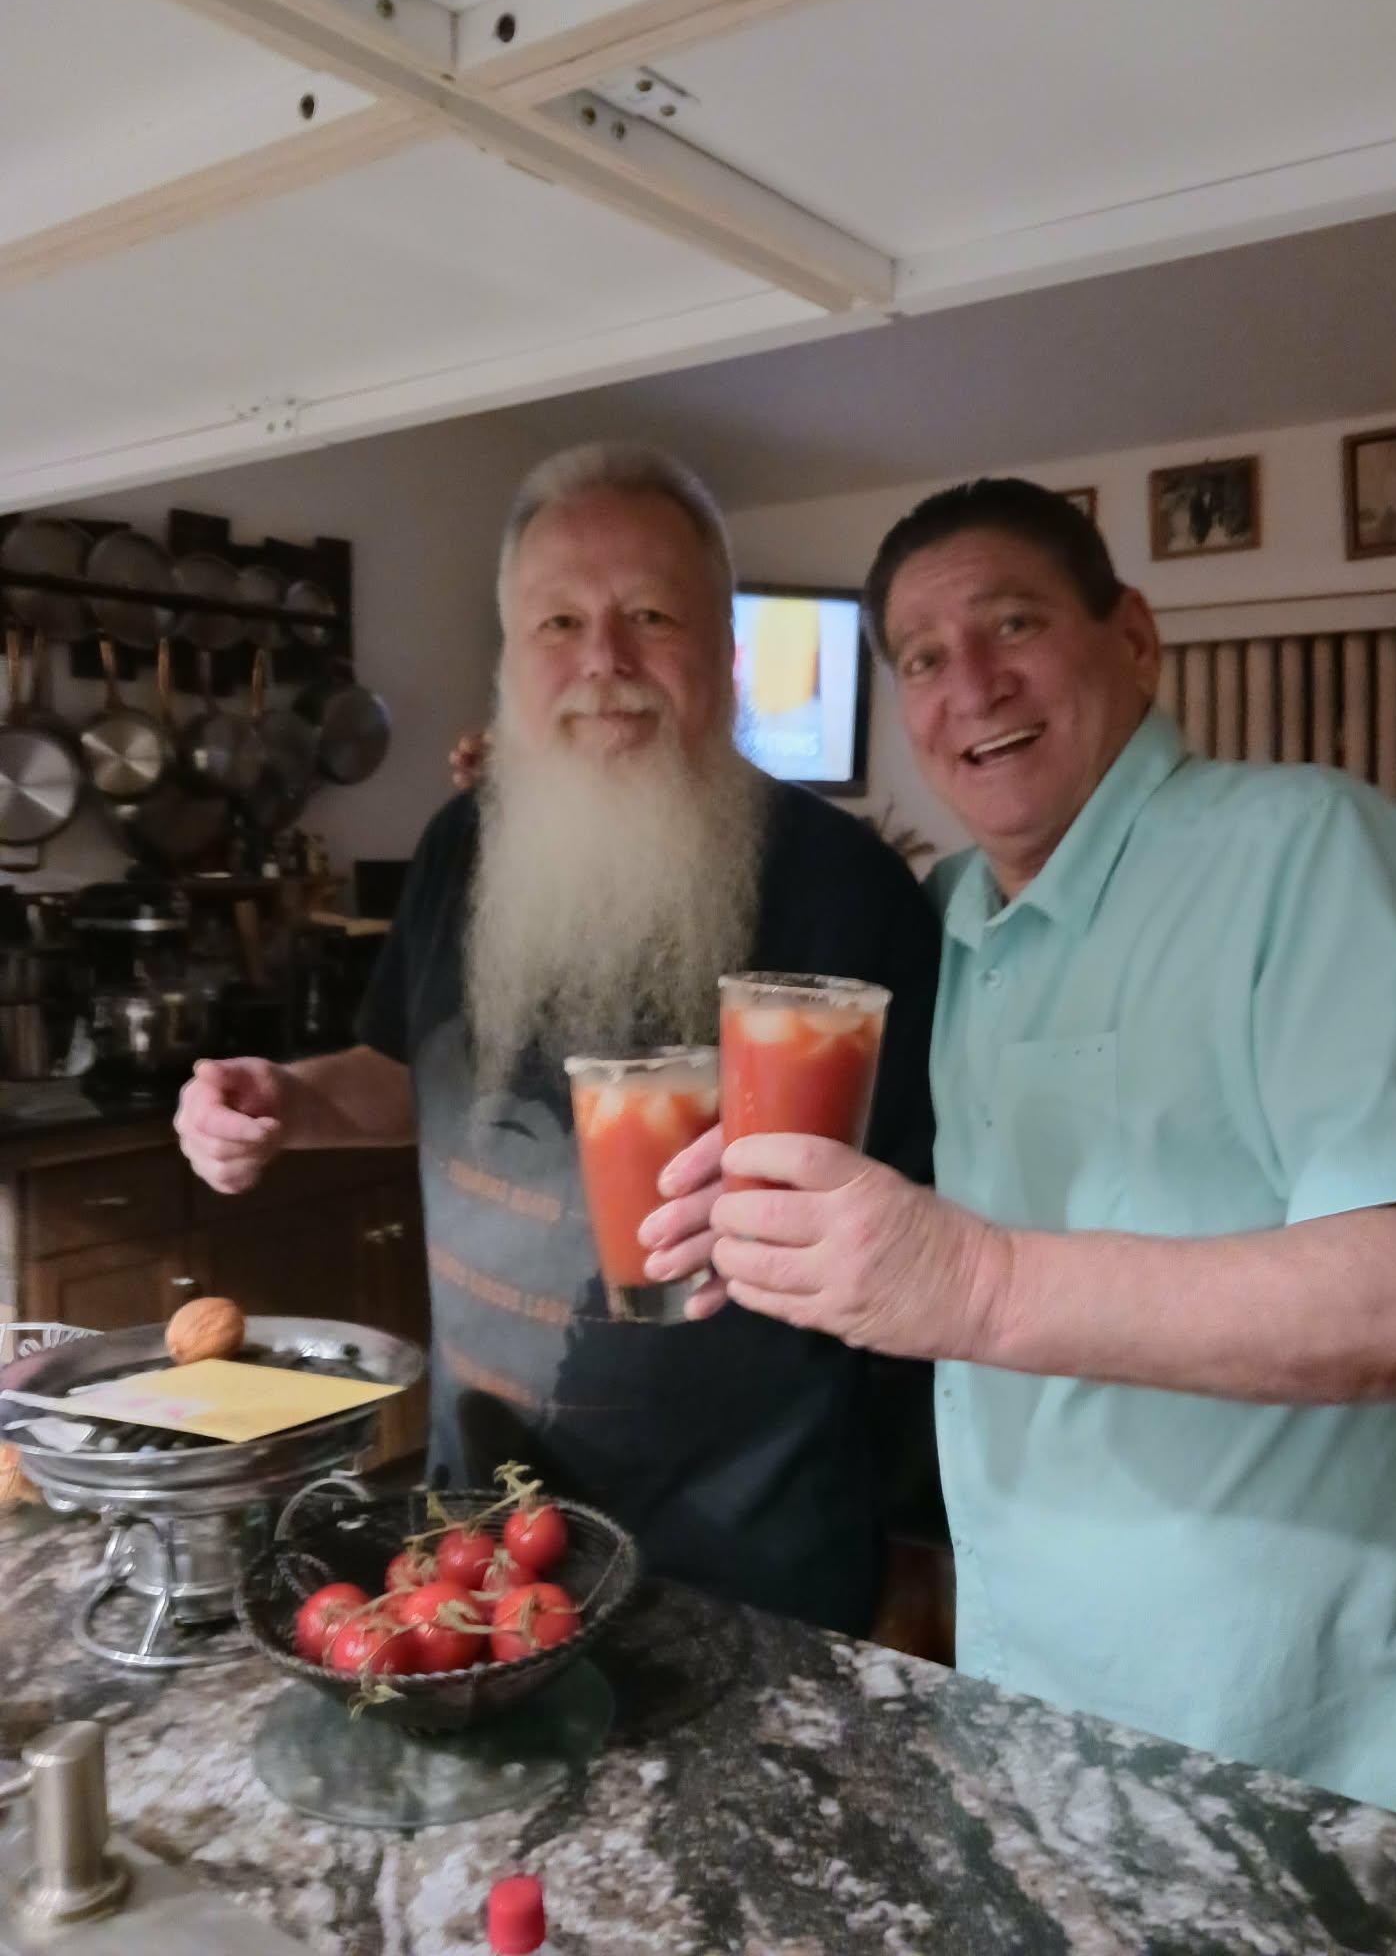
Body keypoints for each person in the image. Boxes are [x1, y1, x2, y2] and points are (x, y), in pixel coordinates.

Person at [644, 476, 1396, 1845]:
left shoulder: (1304, 850)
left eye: (1016, 624)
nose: (973, 685)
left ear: (1133, 637)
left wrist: (979, 1283)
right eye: (925, 660)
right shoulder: (937, 923)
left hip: (1342, 1742)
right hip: (1048, 1710)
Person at [175, 443, 939, 1635]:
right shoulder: (457, 851)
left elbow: (920, 1227)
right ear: (510, 660)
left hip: (756, 1570)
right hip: (475, 1550)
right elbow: (403, 1071)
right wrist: (285, 1101)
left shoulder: (850, 887)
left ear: (725, 652)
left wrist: (918, 1545)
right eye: (559, 621)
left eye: (649, 614)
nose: (605, 660)